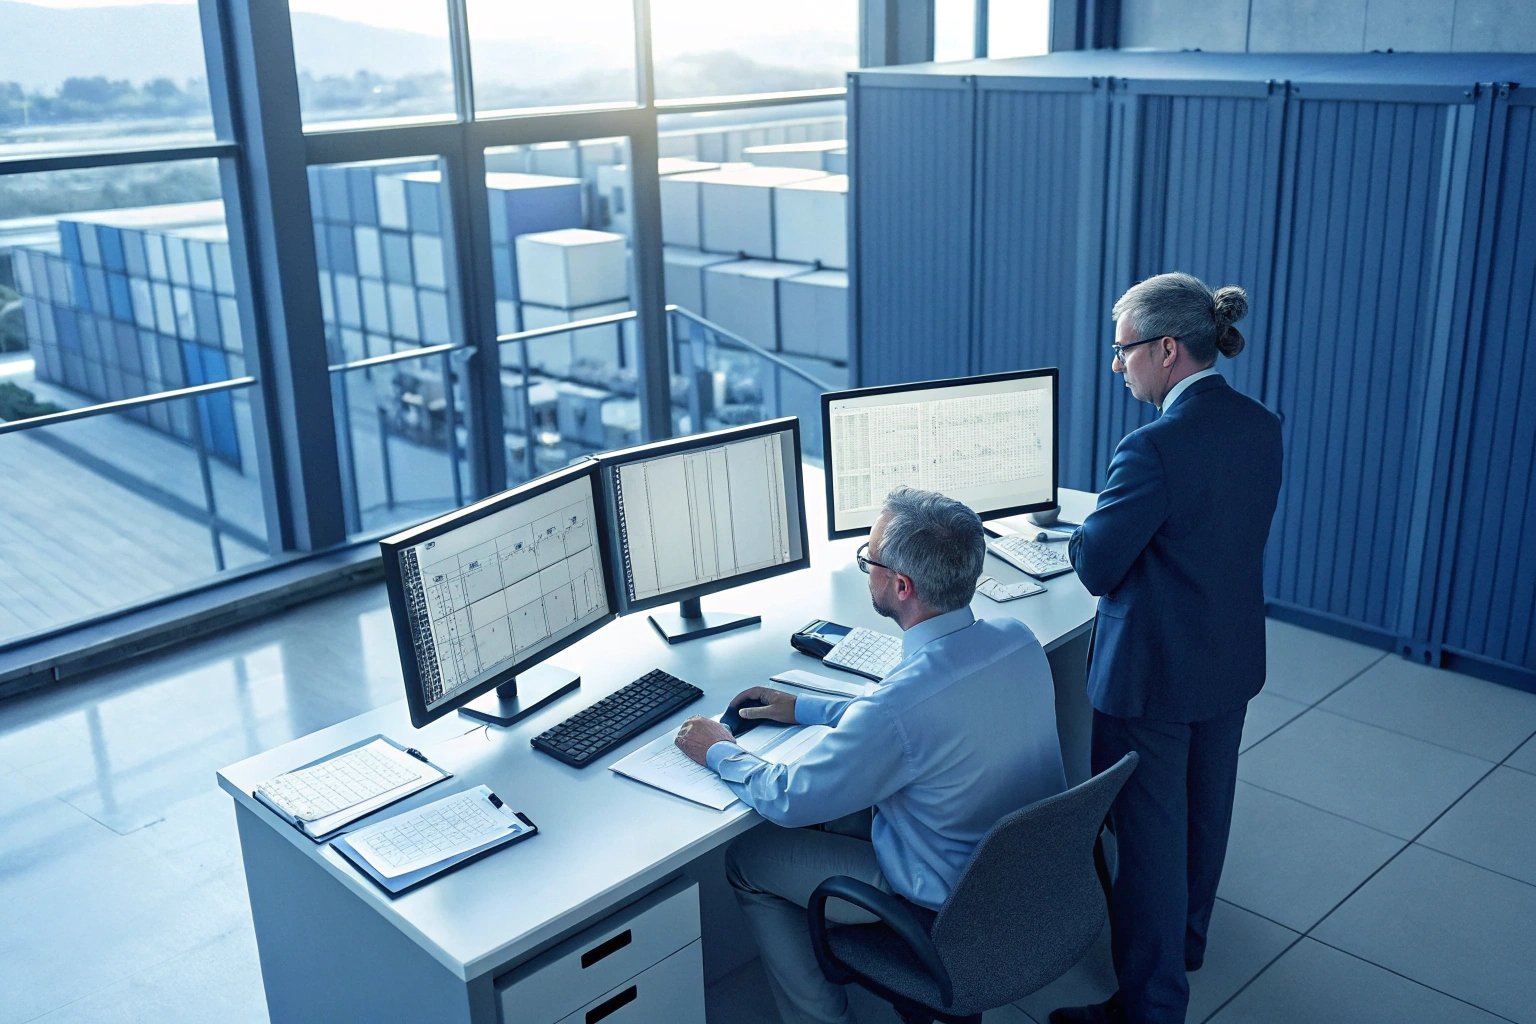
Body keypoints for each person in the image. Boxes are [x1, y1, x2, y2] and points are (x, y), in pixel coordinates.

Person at [675, 486, 1066, 1024]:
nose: (866, 570)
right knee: (844, 815)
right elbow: (916, 720)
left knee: (749, 859)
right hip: (1014, 873)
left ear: (901, 586)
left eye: (869, 560)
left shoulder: (897, 709)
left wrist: (719, 750)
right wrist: (805, 707)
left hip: (942, 905)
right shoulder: (1016, 639)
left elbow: (789, 798)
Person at [1049, 273, 1283, 1024]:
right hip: (1227, 656)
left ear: (1168, 349)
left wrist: (1082, 532)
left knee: (1148, 846)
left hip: (1152, 674)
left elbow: (1094, 566)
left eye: (1123, 352)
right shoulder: (1259, 424)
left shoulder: (1151, 448)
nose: (1118, 367)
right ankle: (1182, 947)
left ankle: (1148, 1009)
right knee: (1203, 818)